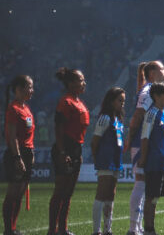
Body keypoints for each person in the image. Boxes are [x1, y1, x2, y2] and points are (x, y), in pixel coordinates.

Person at [126, 61, 164, 235]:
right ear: (152, 73)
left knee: (145, 185)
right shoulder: (148, 91)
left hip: (148, 144)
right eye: (161, 69)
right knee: (141, 183)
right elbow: (137, 115)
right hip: (141, 143)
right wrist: (129, 138)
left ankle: (139, 227)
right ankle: (133, 228)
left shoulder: (150, 90)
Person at [49, 67, 90, 235]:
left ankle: (63, 229)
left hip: (76, 149)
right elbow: (59, 128)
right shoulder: (65, 102)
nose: (84, 83)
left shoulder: (79, 102)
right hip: (65, 147)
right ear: (71, 83)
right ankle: (52, 230)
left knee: (68, 193)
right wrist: (62, 152)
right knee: (60, 192)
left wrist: (76, 154)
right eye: (80, 80)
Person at [137, 82, 164, 235]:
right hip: (153, 162)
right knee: (151, 196)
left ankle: (150, 228)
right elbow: (144, 137)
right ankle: (148, 228)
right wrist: (144, 157)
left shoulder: (162, 113)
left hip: (162, 162)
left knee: (155, 197)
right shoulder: (151, 113)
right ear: (156, 96)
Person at [91, 87, 126, 235]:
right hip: (106, 160)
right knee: (101, 194)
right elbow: (94, 142)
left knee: (111, 194)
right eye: (120, 100)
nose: (122, 103)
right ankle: (96, 230)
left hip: (116, 160)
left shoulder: (118, 120)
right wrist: (98, 158)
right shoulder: (104, 118)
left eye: (124, 101)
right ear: (111, 101)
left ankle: (107, 229)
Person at [3, 75, 34, 235]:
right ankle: (8, 230)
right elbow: (12, 135)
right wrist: (17, 158)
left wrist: (30, 153)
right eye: (29, 87)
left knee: (20, 193)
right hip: (17, 154)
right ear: (19, 89)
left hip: (27, 153)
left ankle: (13, 228)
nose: (32, 90)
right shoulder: (13, 108)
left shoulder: (26, 108)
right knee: (13, 192)